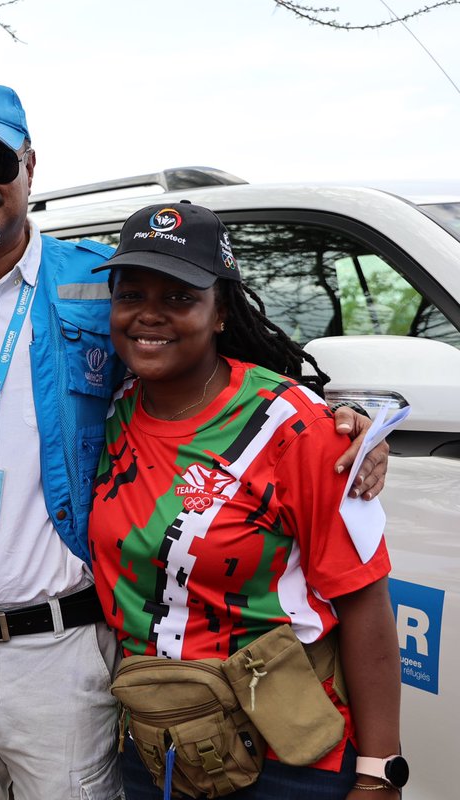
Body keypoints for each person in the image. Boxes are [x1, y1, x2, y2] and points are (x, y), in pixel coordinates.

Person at [0, 82, 388, 800]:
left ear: (28, 164)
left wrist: (347, 415)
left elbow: (209, 353)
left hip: (60, 650)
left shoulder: (101, 286)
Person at [89, 202, 402, 800]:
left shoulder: (295, 428)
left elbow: (364, 603)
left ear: (221, 312)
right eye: (131, 295)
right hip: (159, 750)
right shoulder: (108, 410)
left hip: (286, 756)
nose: (149, 316)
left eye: (179, 297)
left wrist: (378, 773)